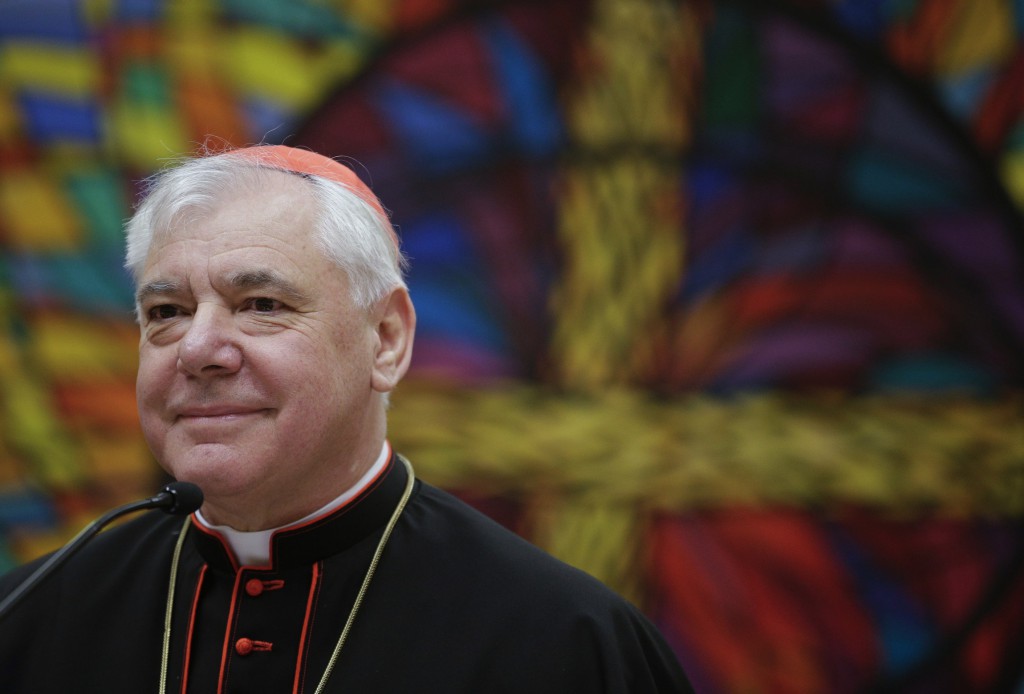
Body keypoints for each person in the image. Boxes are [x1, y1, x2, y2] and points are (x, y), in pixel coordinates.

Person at [0, 145, 693, 693]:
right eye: (167, 313)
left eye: (261, 303)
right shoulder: (30, 618)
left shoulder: (565, 644)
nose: (200, 350)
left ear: (385, 340)